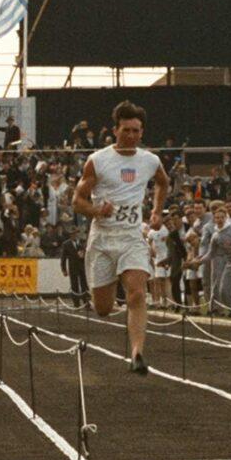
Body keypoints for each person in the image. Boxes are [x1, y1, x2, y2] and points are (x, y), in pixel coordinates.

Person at [71, 100, 169, 374]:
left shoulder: (150, 161)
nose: (132, 136)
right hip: (102, 239)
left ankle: (137, 353)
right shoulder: (98, 161)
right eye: (126, 130)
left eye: (137, 131)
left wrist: (157, 211)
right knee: (103, 308)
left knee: (137, 293)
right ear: (115, 130)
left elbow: (163, 182)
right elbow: (77, 201)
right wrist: (95, 210)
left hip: (131, 237)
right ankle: (108, 288)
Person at [192, 206, 231, 317]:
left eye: (222, 217)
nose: (220, 220)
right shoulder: (216, 235)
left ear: (226, 218)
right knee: (223, 288)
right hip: (230, 260)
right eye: (217, 218)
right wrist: (199, 261)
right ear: (214, 219)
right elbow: (211, 253)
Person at [59, 227, 89, 308]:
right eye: (73, 234)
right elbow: (63, 258)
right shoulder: (66, 244)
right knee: (74, 285)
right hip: (73, 267)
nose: (75, 235)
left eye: (76, 233)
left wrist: (83, 255)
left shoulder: (81, 243)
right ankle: (76, 303)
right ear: (70, 235)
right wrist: (64, 269)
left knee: (84, 285)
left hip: (82, 267)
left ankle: (86, 302)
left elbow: (87, 254)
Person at [147, 216, 171, 307]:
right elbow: (148, 241)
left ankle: (169, 302)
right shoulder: (151, 232)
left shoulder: (165, 229)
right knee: (159, 280)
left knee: (167, 279)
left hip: (167, 256)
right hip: (158, 257)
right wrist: (151, 251)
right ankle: (162, 301)